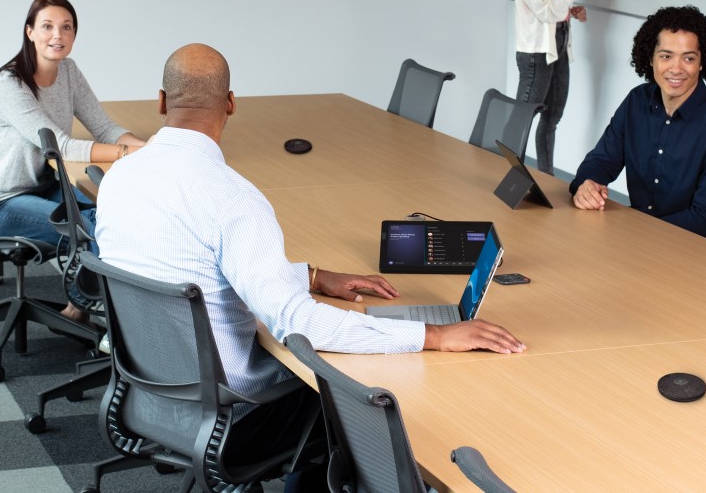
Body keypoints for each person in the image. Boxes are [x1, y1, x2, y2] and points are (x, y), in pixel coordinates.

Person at [93, 45, 526, 485]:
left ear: (162, 101)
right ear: (231, 104)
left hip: (149, 396)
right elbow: (300, 325)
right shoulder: (233, 198)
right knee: (361, 394)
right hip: (236, 418)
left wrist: (311, 276)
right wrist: (434, 334)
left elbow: (189, 263)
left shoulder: (120, 178)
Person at [0, 0, 147, 320]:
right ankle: (116, 323)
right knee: (91, 226)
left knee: (115, 212)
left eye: (67, 27)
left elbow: (102, 126)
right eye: (47, 26)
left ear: (75, 34)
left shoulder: (69, 72)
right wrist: (125, 152)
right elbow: (59, 146)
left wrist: (145, 148)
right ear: (29, 31)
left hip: (41, 185)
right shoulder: (10, 85)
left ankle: (79, 309)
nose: (57, 36)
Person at [570, 5, 706, 238]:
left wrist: (637, 233)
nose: (676, 68)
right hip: (638, 240)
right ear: (651, 59)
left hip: (690, 252)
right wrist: (587, 185)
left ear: (702, 63)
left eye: (689, 58)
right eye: (666, 56)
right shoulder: (636, 102)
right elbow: (601, 161)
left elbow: (705, 220)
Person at [514, 0, 594, 173]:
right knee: (522, 120)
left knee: (551, 118)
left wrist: (571, 10)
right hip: (536, 52)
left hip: (557, 48)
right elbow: (545, 11)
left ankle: (545, 178)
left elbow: (553, 6)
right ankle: (506, 176)